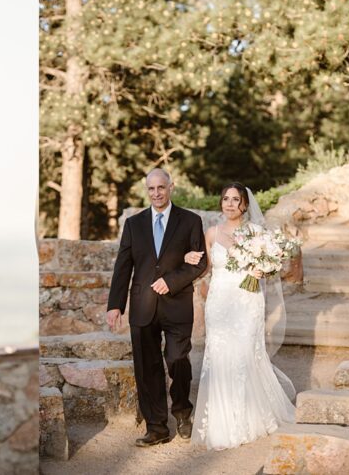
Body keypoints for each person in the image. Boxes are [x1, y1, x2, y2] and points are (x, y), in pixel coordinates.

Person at [182, 183, 296, 450]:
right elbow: (205, 268)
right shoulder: (211, 233)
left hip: (247, 300)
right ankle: (223, 421)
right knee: (220, 355)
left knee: (245, 353)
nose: (230, 204)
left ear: (244, 204)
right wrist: (187, 259)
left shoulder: (256, 232)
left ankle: (249, 417)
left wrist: (263, 270)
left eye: (236, 199)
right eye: (226, 199)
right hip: (219, 302)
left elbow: (270, 264)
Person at [106, 168, 208, 446]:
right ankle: (156, 427)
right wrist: (115, 305)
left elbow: (200, 262)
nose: (156, 193)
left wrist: (171, 281)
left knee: (177, 359)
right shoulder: (133, 224)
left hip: (177, 304)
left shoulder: (190, 221)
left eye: (161, 187)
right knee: (146, 366)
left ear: (171, 187)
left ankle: (183, 412)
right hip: (143, 305)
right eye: (151, 189)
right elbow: (123, 266)